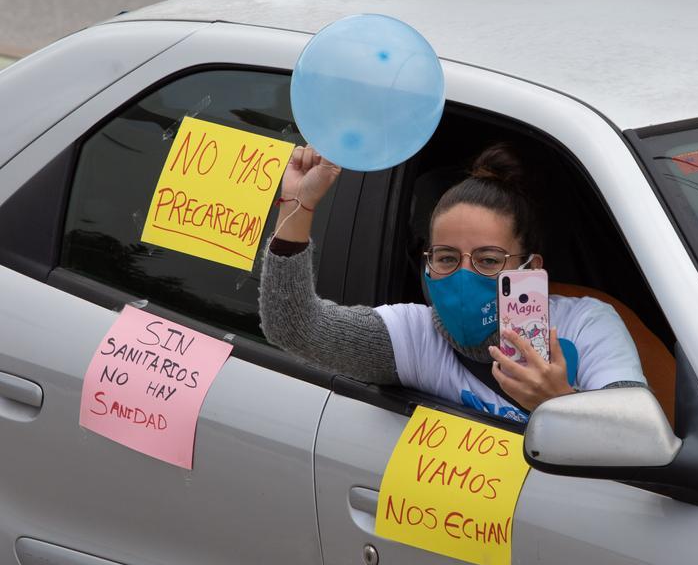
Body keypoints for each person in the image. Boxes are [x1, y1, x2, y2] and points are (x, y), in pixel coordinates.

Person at [259, 142, 647, 423]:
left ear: (530, 267)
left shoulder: (587, 325)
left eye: (489, 260)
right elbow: (294, 328)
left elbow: (636, 439)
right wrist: (299, 205)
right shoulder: (416, 337)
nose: (464, 275)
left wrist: (561, 401)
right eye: (446, 258)